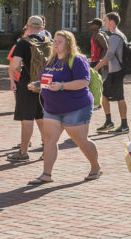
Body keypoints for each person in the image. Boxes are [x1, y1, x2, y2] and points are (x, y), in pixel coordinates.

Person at [26, 30, 100, 185]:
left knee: (81, 140)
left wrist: (62, 86)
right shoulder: (52, 60)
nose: (55, 44)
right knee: (49, 140)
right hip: (52, 108)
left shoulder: (77, 60)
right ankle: (46, 174)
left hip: (76, 107)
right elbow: (47, 81)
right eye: (55, 41)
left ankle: (95, 168)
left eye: (60, 41)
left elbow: (83, 82)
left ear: (68, 43)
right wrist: (38, 85)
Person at [6, 16, 48, 162]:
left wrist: (19, 72)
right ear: (42, 28)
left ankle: (23, 152)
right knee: (41, 116)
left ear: (27, 26)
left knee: (27, 118)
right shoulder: (49, 42)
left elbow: (15, 65)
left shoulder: (23, 43)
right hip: (45, 85)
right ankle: (47, 149)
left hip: (27, 84)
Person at [94, 12, 130, 134]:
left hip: (116, 71)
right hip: (114, 71)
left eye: (106, 20)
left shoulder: (115, 36)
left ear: (112, 22)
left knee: (120, 97)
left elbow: (109, 55)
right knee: (103, 93)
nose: (105, 22)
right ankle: (109, 121)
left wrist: (96, 67)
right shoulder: (119, 35)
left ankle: (124, 125)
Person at [86, 18, 106, 111]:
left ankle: (98, 104)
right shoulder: (94, 35)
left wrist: (100, 61)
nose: (90, 25)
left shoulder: (99, 36)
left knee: (96, 83)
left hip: (97, 62)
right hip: (93, 61)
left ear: (97, 26)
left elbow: (106, 48)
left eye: (92, 24)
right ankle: (93, 102)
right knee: (92, 82)